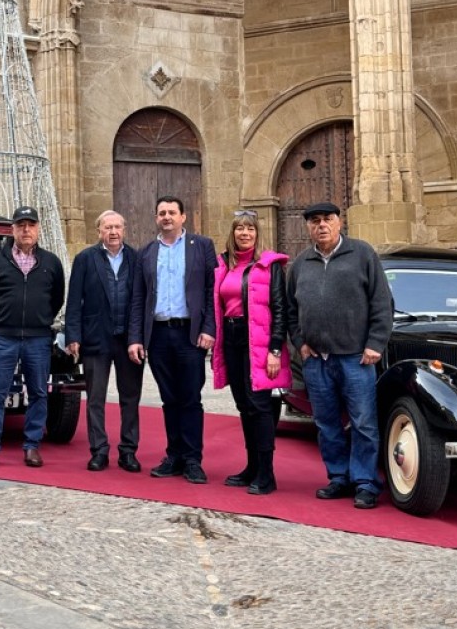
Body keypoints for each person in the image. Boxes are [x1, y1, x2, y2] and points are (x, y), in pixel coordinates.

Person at [286, 202, 393, 509]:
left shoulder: (362, 255)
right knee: (326, 423)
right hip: (317, 360)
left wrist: (375, 343)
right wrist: (300, 343)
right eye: (315, 220)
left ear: (339, 222)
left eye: (327, 219)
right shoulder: (301, 263)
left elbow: (382, 302)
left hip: (356, 358)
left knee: (363, 423)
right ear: (308, 227)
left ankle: (366, 482)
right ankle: (338, 477)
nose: (321, 225)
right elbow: (292, 311)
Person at [128, 196, 217, 484]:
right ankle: (174, 455)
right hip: (158, 334)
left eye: (172, 212)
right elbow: (139, 298)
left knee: (190, 397)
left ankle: (193, 459)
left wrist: (209, 328)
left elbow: (210, 291)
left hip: (190, 334)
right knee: (169, 398)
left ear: (183, 217)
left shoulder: (202, 246)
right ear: (156, 218)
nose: (167, 217)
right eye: (161, 213)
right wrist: (136, 338)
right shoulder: (147, 252)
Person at [0, 206, 65, 469]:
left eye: (31, 225)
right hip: (5, 337)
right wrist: (7, 319)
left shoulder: (51, 262)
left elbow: (57, 298)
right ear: (12, 229)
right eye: (21, 225)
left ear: (38, 229)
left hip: (38, 338)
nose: (26, 230)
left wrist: (40, 319)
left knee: (38, 392)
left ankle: (32, 446)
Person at [211, 209, 290, 495]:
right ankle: (252, 467)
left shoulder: (270, 266)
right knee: (244, 404)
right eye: (240, 229)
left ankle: (267, 474)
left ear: (257, 234)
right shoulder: (224, 265)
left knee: (259, 406)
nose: (245, 234)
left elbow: (281, 310)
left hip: (257, 340)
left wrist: (274, 350)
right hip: (231, 339)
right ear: (232, 233)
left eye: (250, 229)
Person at [64, 210, 144, 473]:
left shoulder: (136, 258)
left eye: (117, 227)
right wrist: (73, 335)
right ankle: (99, 450)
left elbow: (139, 301)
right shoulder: (85, 259)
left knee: (130, 398)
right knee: (95, 398)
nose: (113, 232)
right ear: (98, 231)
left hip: (128, 341)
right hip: (95, 339)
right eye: (107, 227)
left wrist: (138, 337)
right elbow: (74, 300)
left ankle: (128, 451)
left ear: (124, 230)